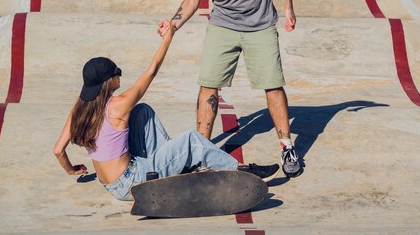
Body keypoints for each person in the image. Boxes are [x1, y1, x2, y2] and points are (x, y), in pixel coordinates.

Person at [157, 0, 301, 177]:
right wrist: (173, 23)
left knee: (272, 85)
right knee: (208, 86)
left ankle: (287, 146)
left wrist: (288, 8)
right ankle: (201, 150)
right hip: (222, 24)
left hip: (259, 24)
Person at [53, 20, 279, 201]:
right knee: (192, 139)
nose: (120, 77)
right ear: (109, 81)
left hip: (110, 184)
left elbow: (58, 150)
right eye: (117, 73)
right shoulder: (118, 105)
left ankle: (176, 166)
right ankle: (240, 173)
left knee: (142, 112)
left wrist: (72, 169)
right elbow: (151, 71)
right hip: (132, 181)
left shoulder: (79, 109)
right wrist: (168, 37)